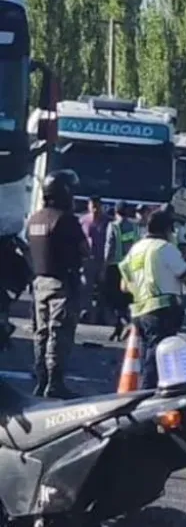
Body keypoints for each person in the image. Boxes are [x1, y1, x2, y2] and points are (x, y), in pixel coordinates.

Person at [118, 208, 186, 389]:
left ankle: (147, 389)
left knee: (148, 351)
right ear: (166, 230)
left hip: (139, 312)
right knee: (157, 355)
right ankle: (147, 393)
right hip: (161, 310)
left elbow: (123, 286)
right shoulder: (165, 248)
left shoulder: (135, 249)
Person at [26, 170, 88, 398]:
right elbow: (85, 249)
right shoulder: (66, 219)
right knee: (59, 333)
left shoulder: (35, 219)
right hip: (62, 282)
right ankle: (55, 382)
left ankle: (40, 379)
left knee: (40, 333)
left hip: (38, 282)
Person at [104, 201, 139, 340]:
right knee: (126, 299)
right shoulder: (134, 227)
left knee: (112, 298)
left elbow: (109, 246)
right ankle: (120, 326)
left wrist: (104, 265)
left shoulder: (113, 226)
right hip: (130, 267)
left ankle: (124, 323)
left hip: (115, 267)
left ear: (116, 212)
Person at [79, 196, 110, 323]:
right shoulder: (83, 221)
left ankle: (100, 315)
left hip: (102, 259)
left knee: (103, 288)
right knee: (86, 287)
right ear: (89, 206)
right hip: (88, 259)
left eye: (97, 206)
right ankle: (87, 313)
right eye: (93, 206)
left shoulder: (107, 222)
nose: (95, 209)